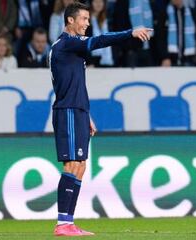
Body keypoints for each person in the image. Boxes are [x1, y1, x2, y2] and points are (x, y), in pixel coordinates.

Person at [49, 2, 151, 236]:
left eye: (88, 19)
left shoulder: (72, 48)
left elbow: (73, 84)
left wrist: (87, 114)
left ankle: (69, 222)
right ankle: (62, 223)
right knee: (72, 165)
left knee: (81, 166)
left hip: (78, 110)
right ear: (70, 21)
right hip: (68, 110)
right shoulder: (67, 43)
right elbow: (100, 40)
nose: (87, 23)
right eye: (83, 19)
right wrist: (130, 33)